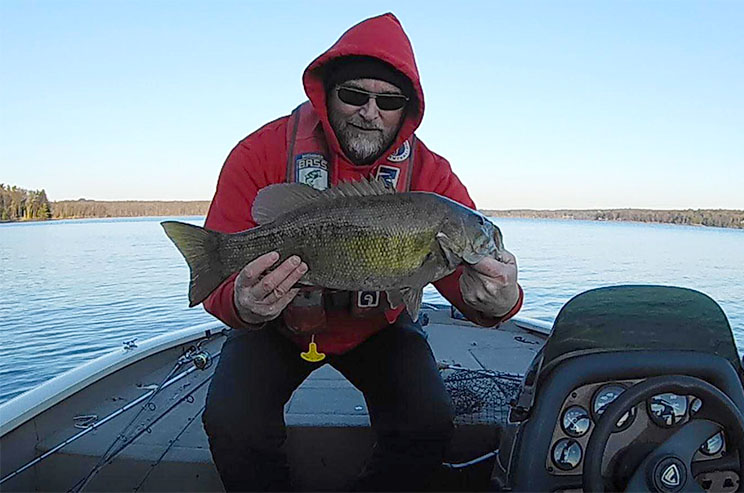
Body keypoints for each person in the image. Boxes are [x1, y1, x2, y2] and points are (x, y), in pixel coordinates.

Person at [200, 12, 524, 491]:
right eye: (354, 94)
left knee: (427, 424)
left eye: (388, 100)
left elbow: (474, 288)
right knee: (231, 422)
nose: (369, 112)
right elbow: (220, 285)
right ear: (326, 93)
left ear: (406, 110)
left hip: (378, 327)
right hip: (280, 326)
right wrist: (241, 304)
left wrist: (499, 301)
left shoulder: (434, 181)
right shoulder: (259, 153)